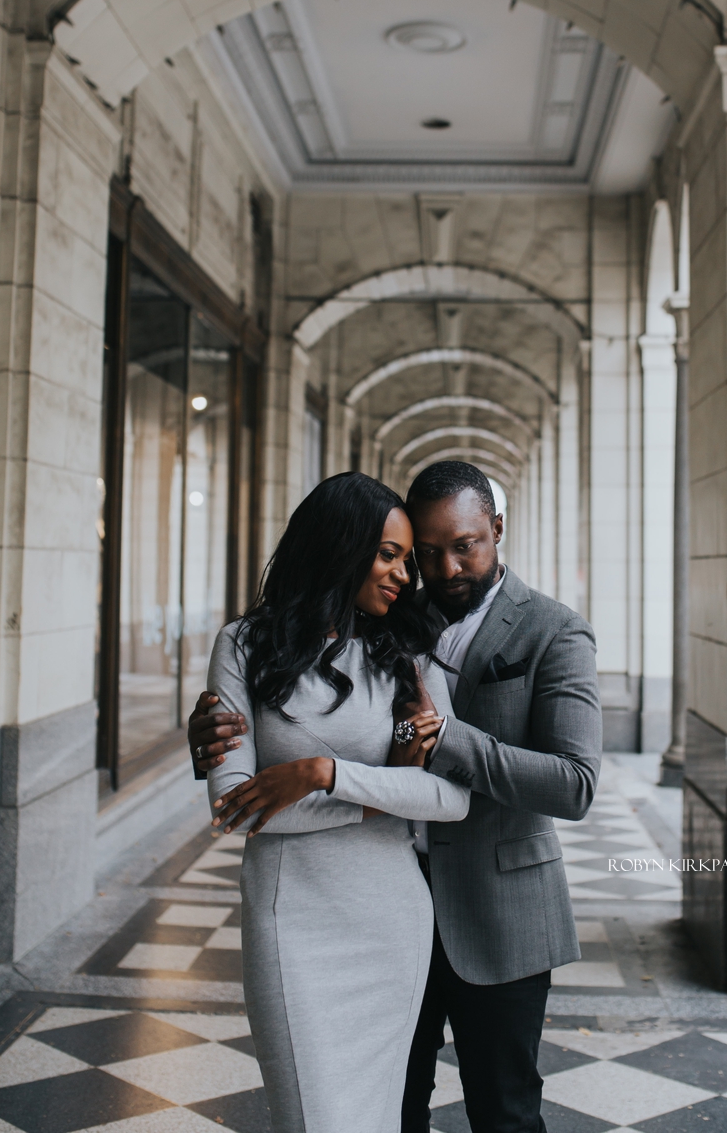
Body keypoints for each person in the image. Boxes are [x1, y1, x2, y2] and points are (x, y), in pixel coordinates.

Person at [191, 460, 602, 1133]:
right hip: (366, 902)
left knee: (504, 1113)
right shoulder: (398, 620)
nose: (439, 570)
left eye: (462, 545)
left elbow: (573, 783)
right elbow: (252, 770)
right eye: (422, 553)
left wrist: (434, 745)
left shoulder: (550, 631)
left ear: (497, 530)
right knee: (379, 1113)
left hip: (492, 911)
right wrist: (210, 730)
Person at [202, 471, 470, 1133]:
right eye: (388, 556)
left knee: (377, 1118)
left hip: (391, 920)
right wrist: (381, 790)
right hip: (291, 918)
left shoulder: (407, 655)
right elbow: (236, 805)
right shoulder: (244, 646)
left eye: (407, 560)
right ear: (339, 547)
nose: (404, 576)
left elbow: (449, 796)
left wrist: (325, 775)